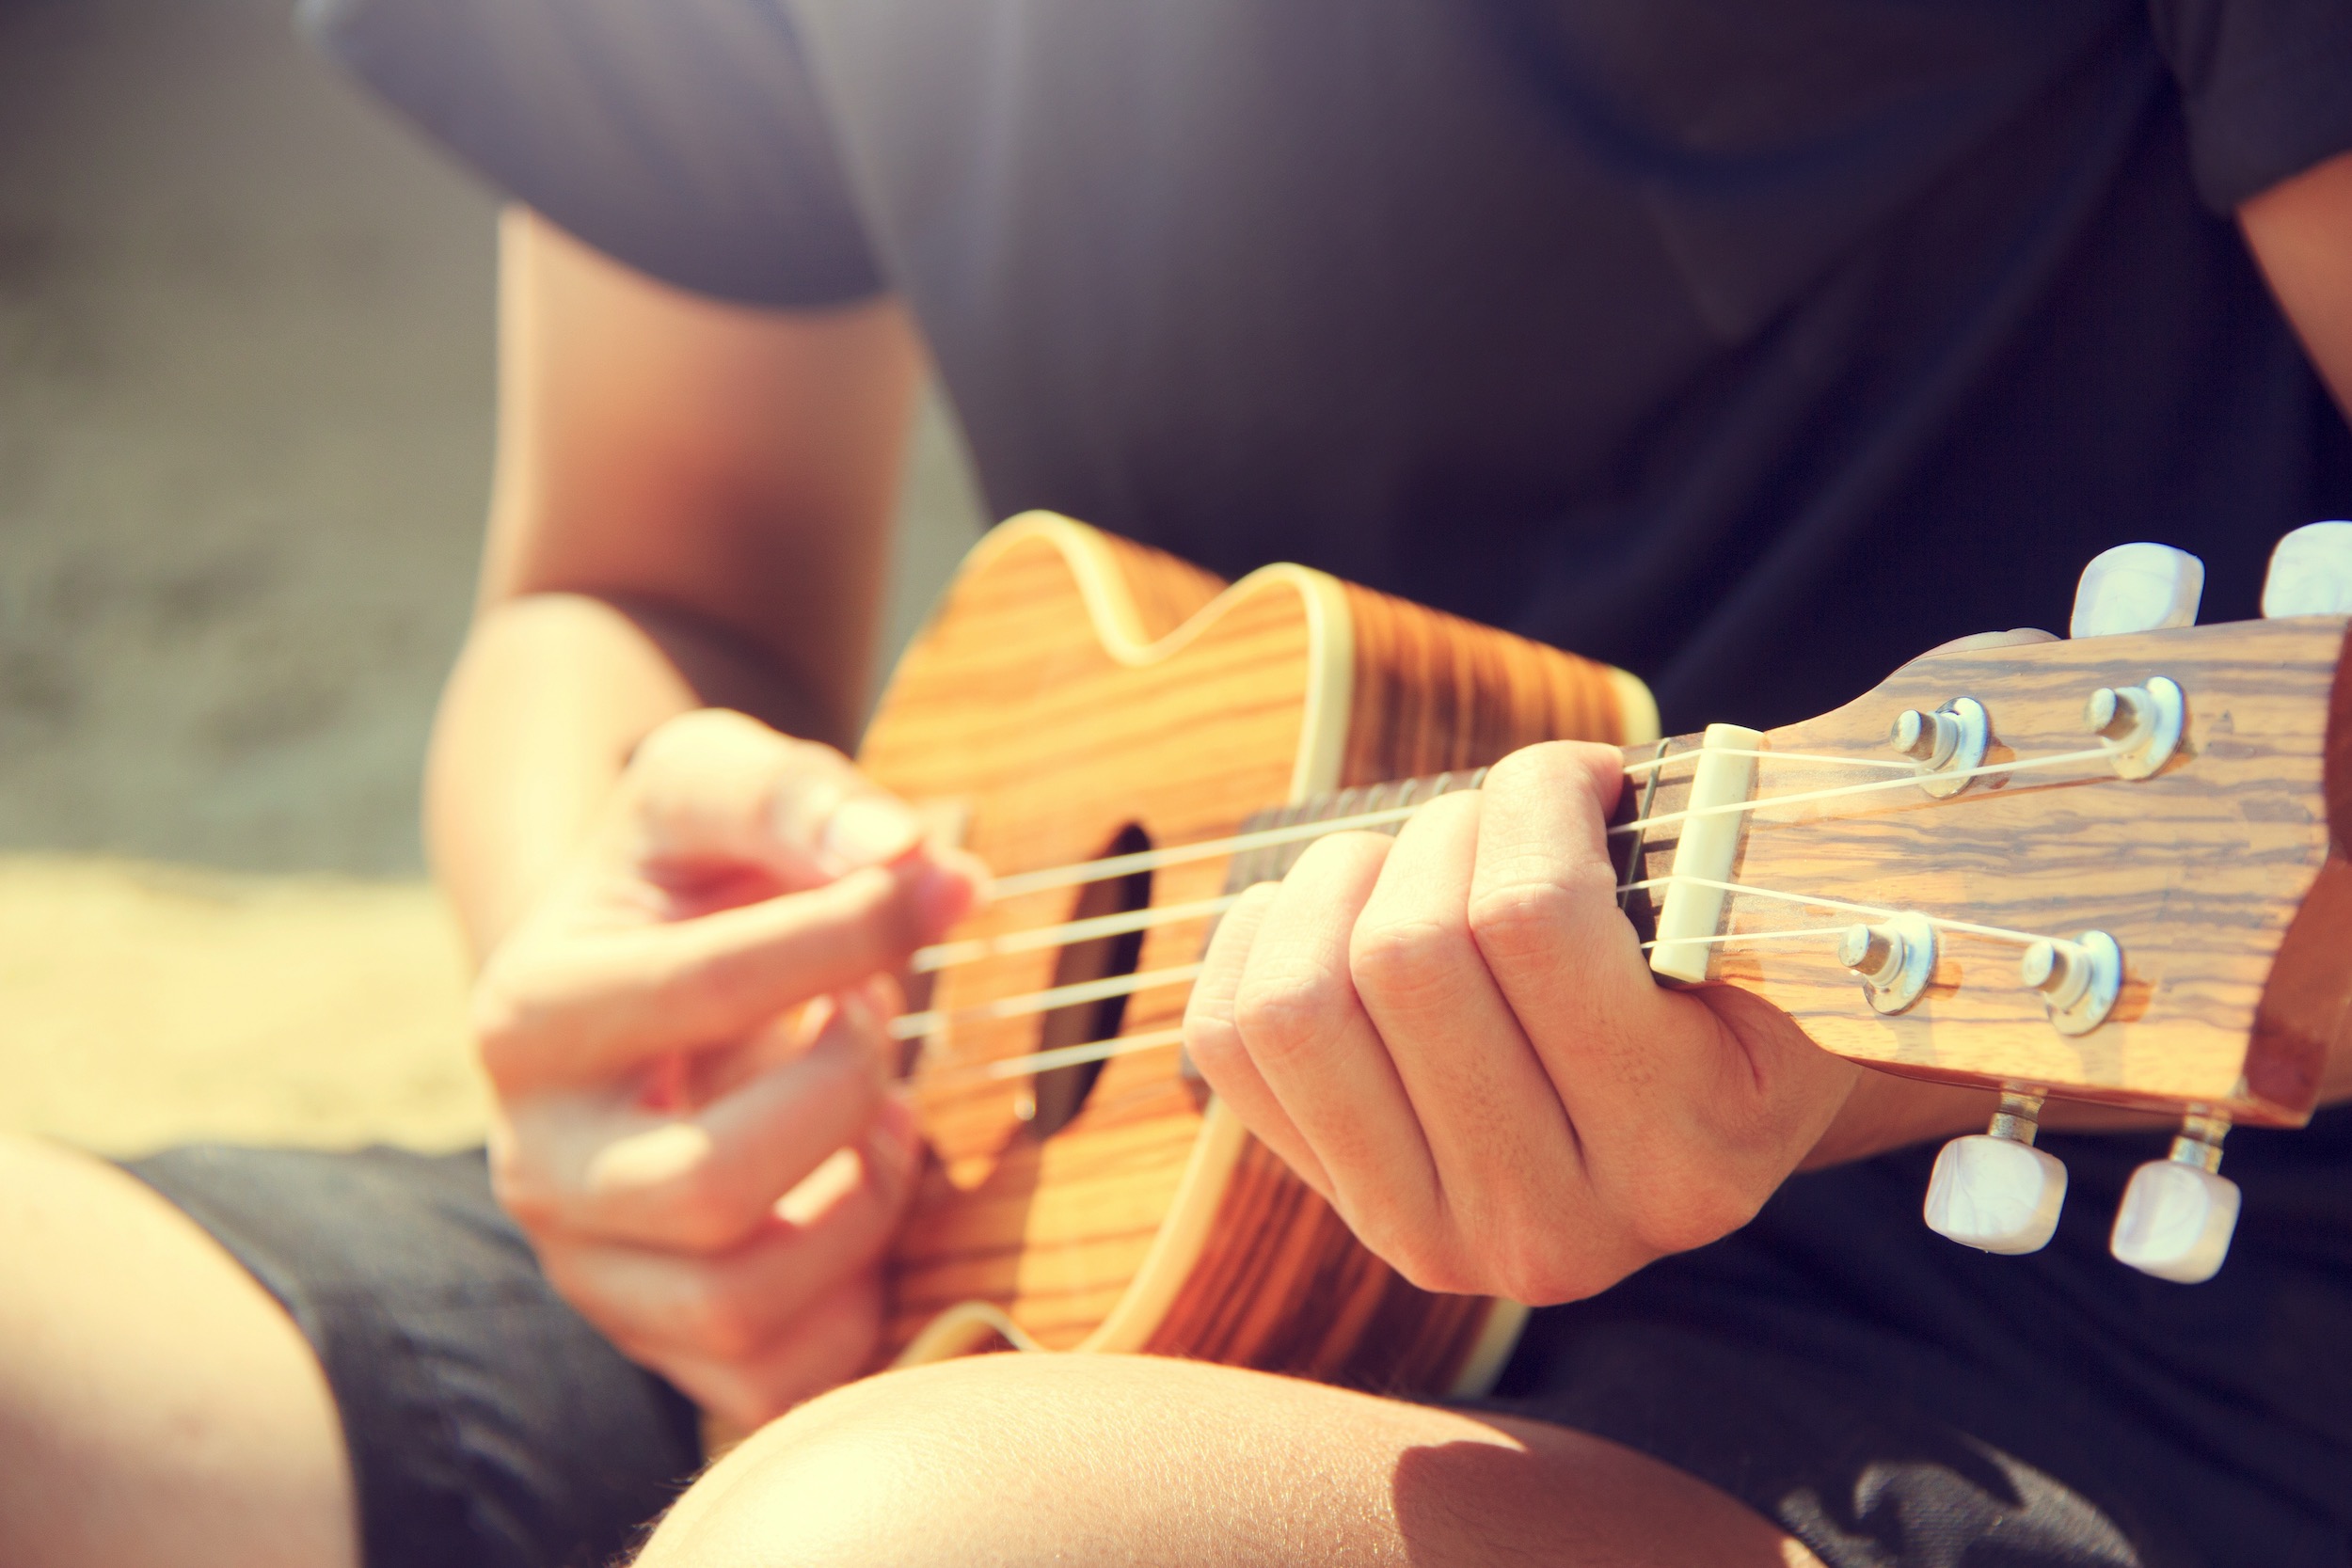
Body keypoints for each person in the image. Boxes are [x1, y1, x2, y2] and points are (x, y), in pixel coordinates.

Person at [4, 0, 2350, 1563]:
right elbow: (637, 574)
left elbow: (2246, 827)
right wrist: (634, 1008)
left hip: (2071, 1334)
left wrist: (1812, 1042)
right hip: (999, 1201)